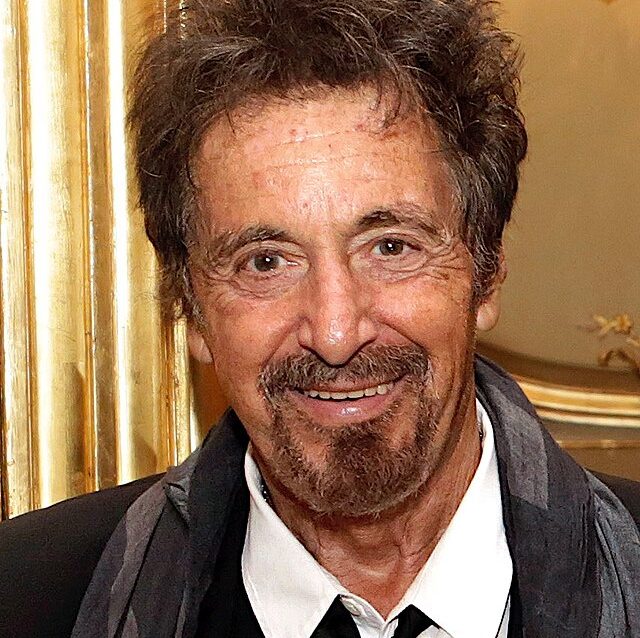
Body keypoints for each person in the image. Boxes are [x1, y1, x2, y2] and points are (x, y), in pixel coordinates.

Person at [1, 1, 639, 637]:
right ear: (190, 307)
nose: (335, 332)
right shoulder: (26, 600)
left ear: (487, 270)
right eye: (266, 262)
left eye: (391, 247)